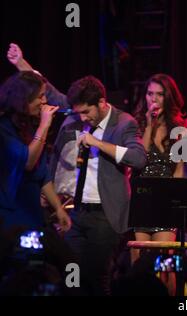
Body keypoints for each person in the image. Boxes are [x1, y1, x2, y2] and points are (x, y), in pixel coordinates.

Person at [49, 76, 147, 295]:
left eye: (87, 112)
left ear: (102, 103)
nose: (83, 118)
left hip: (105, 216)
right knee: (72, 275)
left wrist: (99, 144)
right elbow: (51, 93)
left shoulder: (124, 123)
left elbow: (138, 158)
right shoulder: (78, 120)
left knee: (96, 278)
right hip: (78, 213)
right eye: (79, 113)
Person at [130, 73, 187, 295]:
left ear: (168, 97)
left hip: (166, 202)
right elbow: (139, 159)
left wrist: (174, 206)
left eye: (159, 94)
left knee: (166, 265)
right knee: (141, 266)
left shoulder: (180, 130)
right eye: (149, 93)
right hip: (142, 200)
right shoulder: (136, 124)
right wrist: (149, 125)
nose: (153, 99)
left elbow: (180, 171)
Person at [0, 71, 71, 233]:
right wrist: (44, 125)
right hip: (11, 213)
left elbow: (41, 173)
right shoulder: (3, 129)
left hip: (32, 211)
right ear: (24, 99)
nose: (45, 101)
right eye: (40, 96)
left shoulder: (28, 126)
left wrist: (58, 208)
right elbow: (27, 162)